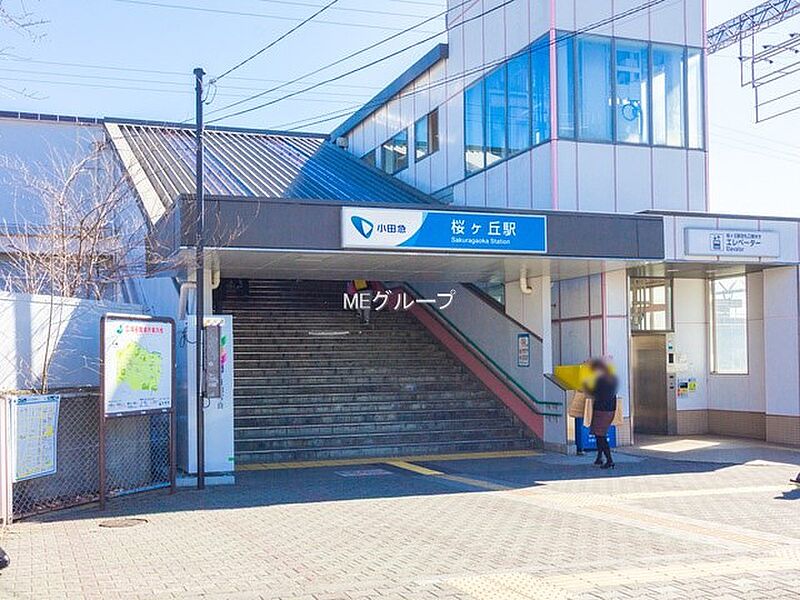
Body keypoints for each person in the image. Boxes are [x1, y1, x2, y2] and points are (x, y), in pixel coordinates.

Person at [587, 358, 618, 469]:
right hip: (610, 410)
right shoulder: (612, 378)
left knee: (600, 436)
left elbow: (594, 392)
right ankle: (599, 457)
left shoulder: (601, 380)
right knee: (599, 434)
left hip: (601, 411)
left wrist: (586, 386)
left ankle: (609, 460)